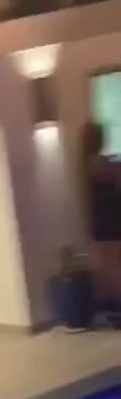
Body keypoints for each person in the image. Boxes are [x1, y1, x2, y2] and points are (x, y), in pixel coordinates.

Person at [81, 119, 121, 315]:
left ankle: (110, 301)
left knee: (106, 262)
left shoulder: (85, 163)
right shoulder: (101, 164)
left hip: (100, 218)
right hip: (111, 218)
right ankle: (114, 300)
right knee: (113, 261)